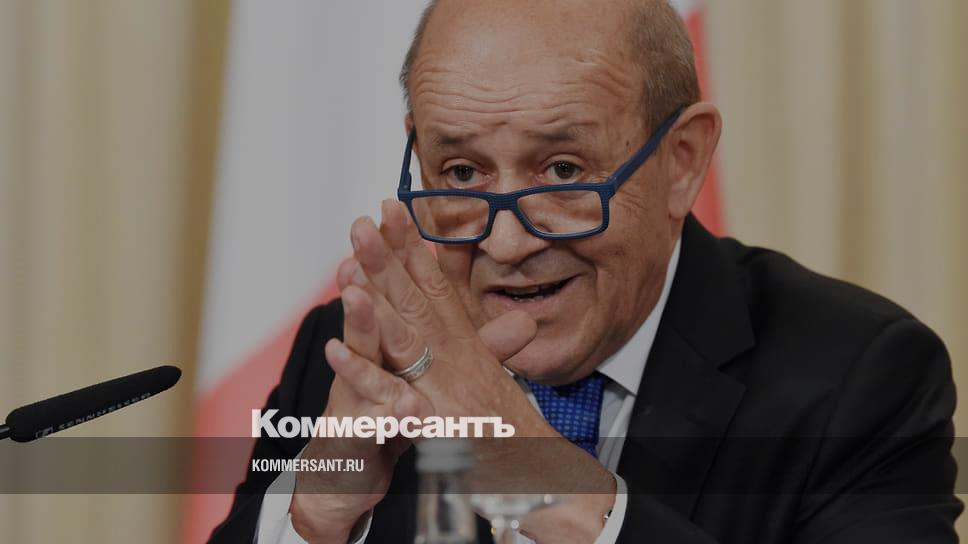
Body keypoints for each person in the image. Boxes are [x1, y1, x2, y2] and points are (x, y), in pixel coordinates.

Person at [210, 0, 961, 542]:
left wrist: (557, 489)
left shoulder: (855, 376)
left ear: (682, 161)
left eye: (563, 169)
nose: (506, 242)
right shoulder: (354, 353)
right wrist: (315, 517)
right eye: (462, 171)